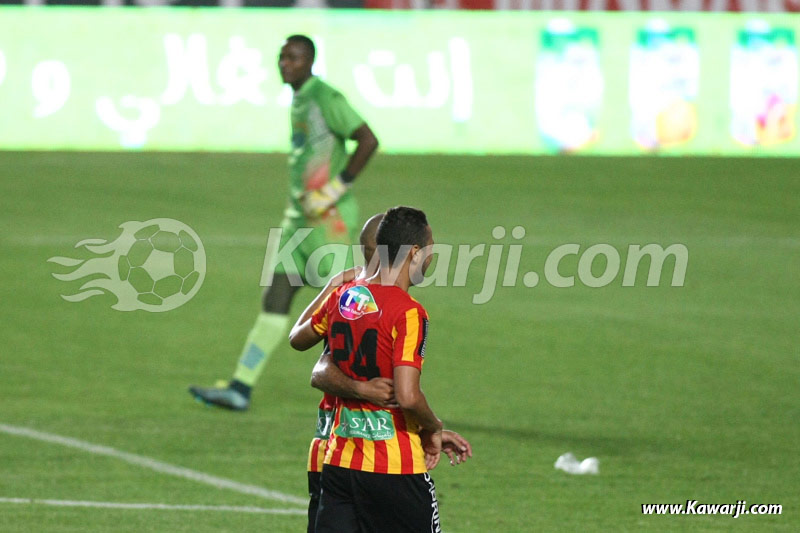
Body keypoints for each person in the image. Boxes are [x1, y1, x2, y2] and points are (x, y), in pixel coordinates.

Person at [189, 34, 379, 410]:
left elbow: (368, 139)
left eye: (293, 58)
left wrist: (336, 188)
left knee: (348, 310)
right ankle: (241, 388)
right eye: (281, 57)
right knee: (275, 298)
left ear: (310, 61)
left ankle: (376, 391)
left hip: (330, 223)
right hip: (298, 223)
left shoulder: (325, 97)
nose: (284, 64)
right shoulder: (300, 98)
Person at [290, 206, 471, 533]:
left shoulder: (343, 298)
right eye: (430, 248)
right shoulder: (409, 312)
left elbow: (310, 353)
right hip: (395, 467)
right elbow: (406, 396)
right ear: (415, 253)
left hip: (340, 462)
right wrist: (433, 427)